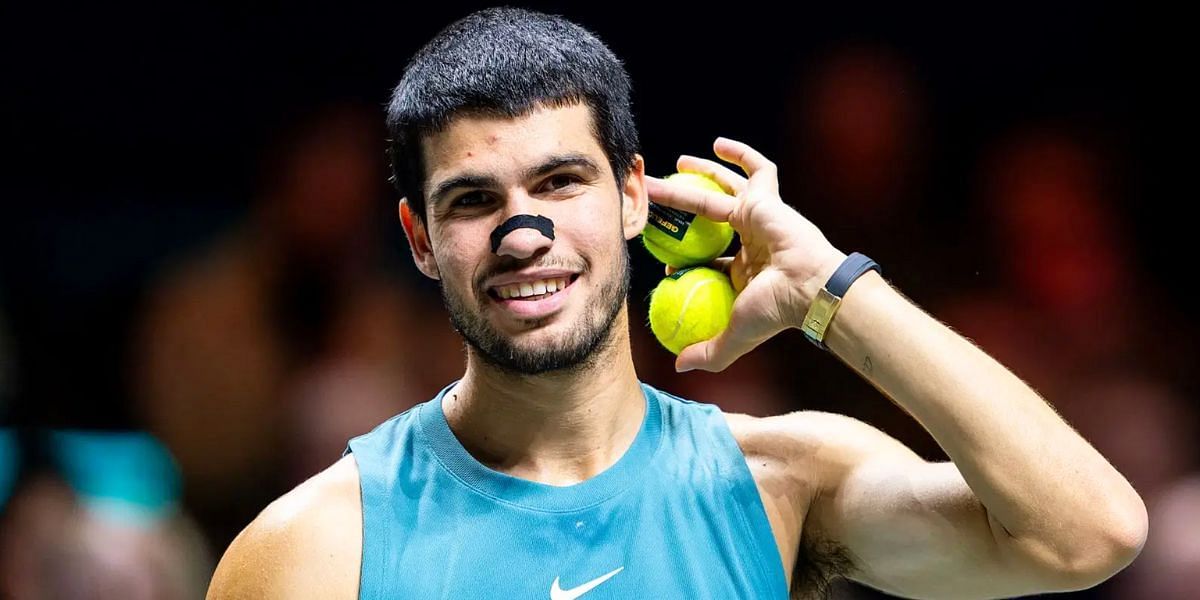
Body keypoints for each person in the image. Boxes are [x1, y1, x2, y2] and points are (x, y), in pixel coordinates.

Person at [206, 8, 1146, 599]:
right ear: (418, 238)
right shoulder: (316, 549)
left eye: (561, 181)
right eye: (474, 199)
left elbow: (1088, 535)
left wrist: (832, 292)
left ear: (631, 197)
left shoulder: (782, 482)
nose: (522, 232)